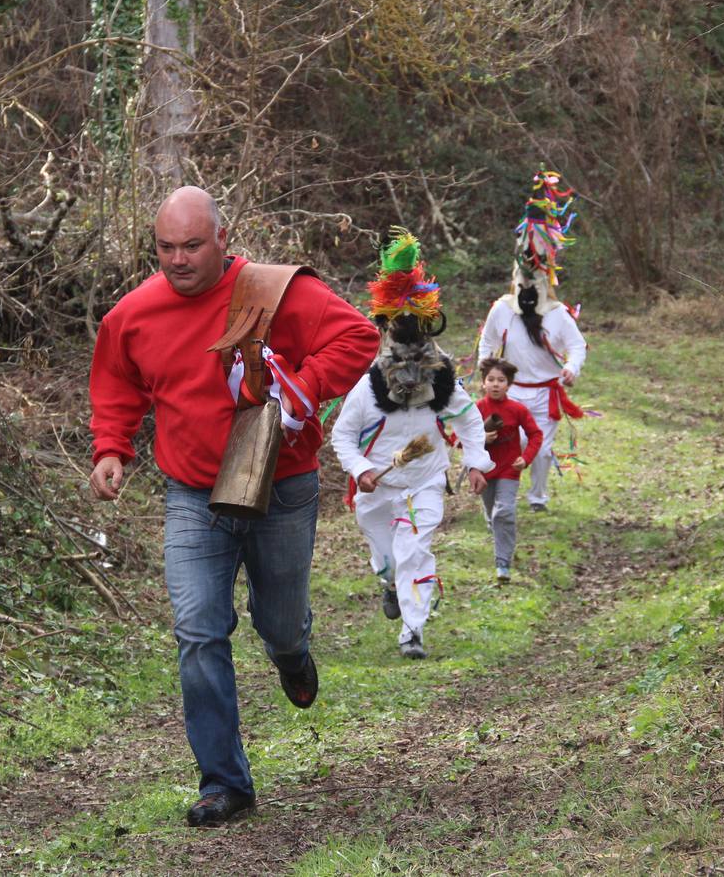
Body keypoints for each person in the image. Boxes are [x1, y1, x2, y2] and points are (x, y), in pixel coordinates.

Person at [87, 186, 378, 827]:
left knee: (278, 623)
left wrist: (300, 390)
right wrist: (111, 447)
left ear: (223, 239)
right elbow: (116, 380)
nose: (178, 260)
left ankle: (291, 652)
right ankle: (225, 783)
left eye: (192, 246)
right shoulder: (133, 315)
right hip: (193, 493)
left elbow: (358, 338)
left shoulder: (274, 293)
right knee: (198, 632)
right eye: (165, 247)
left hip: (281, 487)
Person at [331, 230, 491, 660]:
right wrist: (361, 469)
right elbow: (342, 437)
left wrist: (476, 462)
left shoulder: (441, 383)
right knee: (388, 557)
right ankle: (387, 583)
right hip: (378, 490)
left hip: (423, 482)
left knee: (415, 551)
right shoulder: (366, 389)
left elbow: (470, 419)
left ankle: (412, 630)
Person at [476, 170, 587, 512]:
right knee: (509, 443)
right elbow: (487, 342)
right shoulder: (502, 309)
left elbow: (577, 346)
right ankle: (498, 493)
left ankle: (537, 497)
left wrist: (571, 367)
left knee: (538, 446)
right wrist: (486, 374)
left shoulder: (556, 313)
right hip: (511, 391)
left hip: (545, 393)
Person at [475, 357, 542, 584]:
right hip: (485, 470)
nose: (495, 384)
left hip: (510, 470)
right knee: (492, 511)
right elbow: (458, 437)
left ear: (509, 384)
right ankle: (494, 525)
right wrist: (482, 438)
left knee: (503, 512)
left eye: (501, 380)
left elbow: (536, 434)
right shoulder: (476, 409)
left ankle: (502, 563)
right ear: (483, 383)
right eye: (490, 379)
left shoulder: (517, 409)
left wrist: (526, 458)